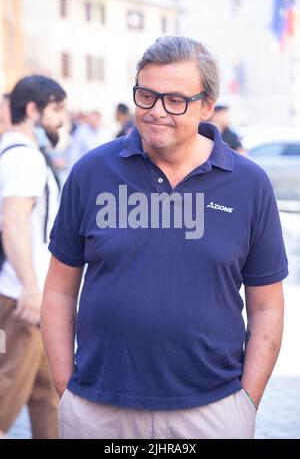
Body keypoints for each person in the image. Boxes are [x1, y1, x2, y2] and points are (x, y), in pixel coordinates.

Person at [41, 36, 288, 439]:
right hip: (97, 410)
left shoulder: (249, 184)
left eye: (175, 100)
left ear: (207, 105)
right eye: (146, 96)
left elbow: (267, 308)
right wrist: (65, 389)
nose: (156, 111)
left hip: (212, 411)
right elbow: (59, 291)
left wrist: (246, 401)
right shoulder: (90, 173)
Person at [0, 75, 66, 439]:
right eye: (56, 109)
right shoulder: (24, 158)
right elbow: (13, 223)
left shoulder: (13, 154)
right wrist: (29, 288)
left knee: (48, 396)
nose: (61, 119)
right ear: (32, 110)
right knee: (5, 393)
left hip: (29, 295)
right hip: (19, 297)